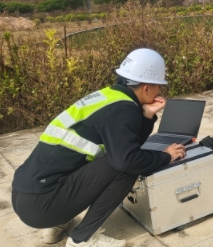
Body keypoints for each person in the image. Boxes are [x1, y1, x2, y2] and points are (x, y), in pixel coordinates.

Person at [11, 48, 186, 247]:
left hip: (25, 196)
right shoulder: (124, 109)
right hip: (42, 205)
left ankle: (58, 224)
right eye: (158, 87)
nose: (159, 92)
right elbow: (128, 159)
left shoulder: (108, 97)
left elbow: (128, 143)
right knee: (126, 167)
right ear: (146, 88)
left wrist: (146, 116)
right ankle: (81, 239)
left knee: (114, 157)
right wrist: (165, 157)